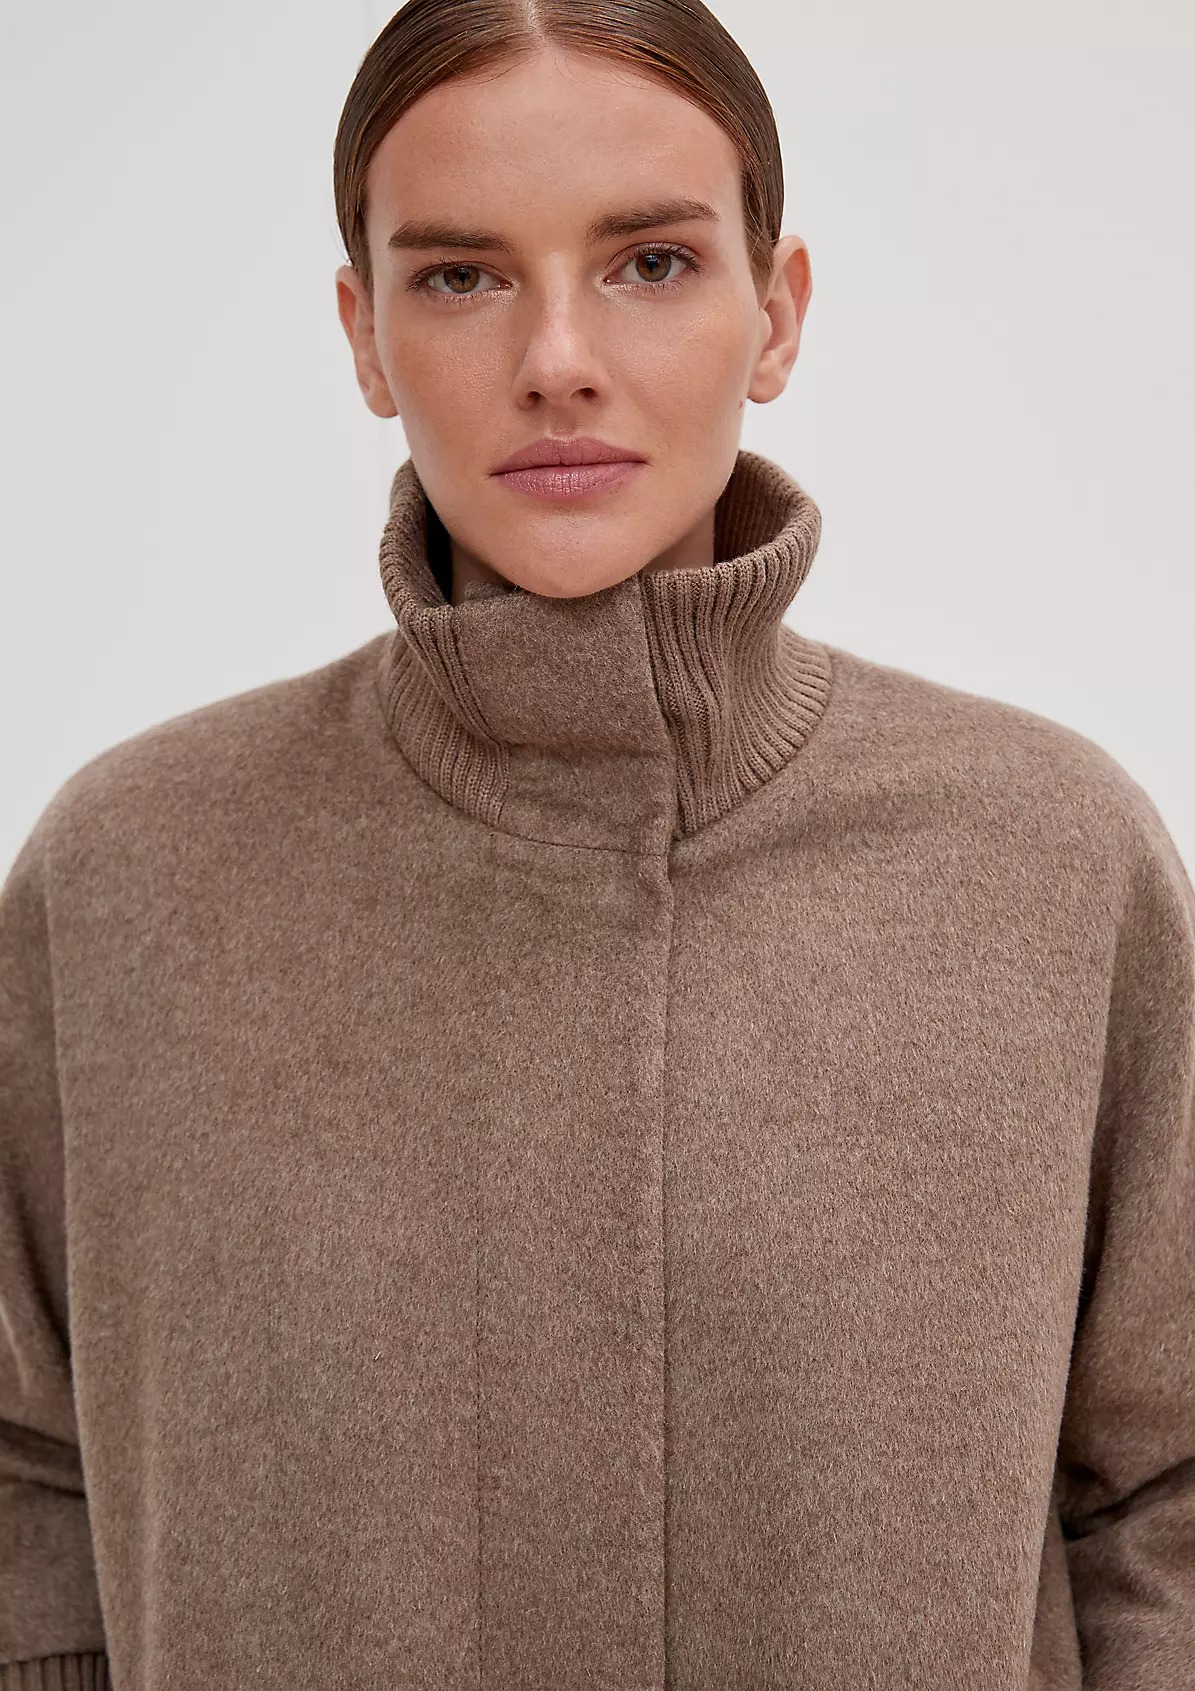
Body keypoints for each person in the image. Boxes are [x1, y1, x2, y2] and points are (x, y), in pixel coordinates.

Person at [2, 2, 1192, 1688]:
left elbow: (1165, 1493)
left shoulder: (1047, 867)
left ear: (776, 311)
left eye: (650, 262)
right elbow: (27, 1485)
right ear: (362, 336)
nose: (557, 356)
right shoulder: (128, 879)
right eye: (460, 275)